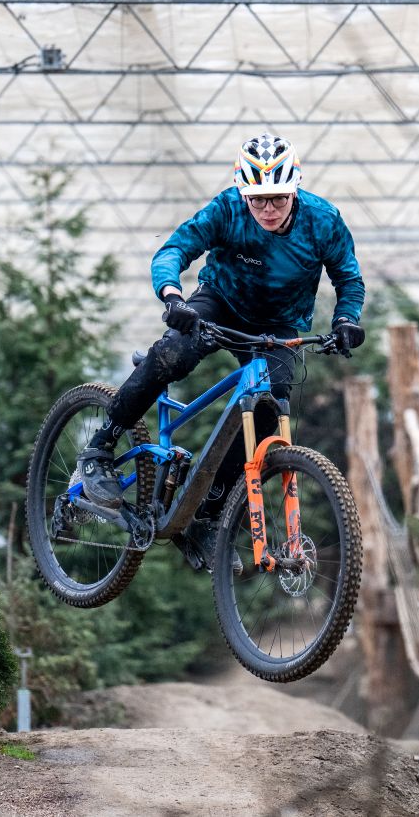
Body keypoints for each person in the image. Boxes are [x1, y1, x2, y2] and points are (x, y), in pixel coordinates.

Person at [72, 133, 366, 570]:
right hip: (220, 303)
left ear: (295, 190)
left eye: (278, 198)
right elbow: (174, 249)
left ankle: (207, 514)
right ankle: (100, 448)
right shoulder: (228, 209)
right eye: (258, 199)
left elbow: (349, 279)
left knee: (269, 408)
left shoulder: (323, 221)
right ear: (244, 193)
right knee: (173, 354)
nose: (268, 209)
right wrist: (173, 296)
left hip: (278, 325)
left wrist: (346, 320)